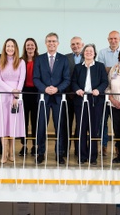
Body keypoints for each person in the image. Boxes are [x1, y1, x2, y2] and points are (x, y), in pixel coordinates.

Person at [33, 32, 70, 164]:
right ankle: (40, 152)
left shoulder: (63, 59)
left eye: (54, 41)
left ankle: (59, 154)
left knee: (59, 126)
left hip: (58, 98)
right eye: (49, 41)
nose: (51, 43)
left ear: (58, 43)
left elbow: (67, 79)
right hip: (43, 97)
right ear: (45, 43)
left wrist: (57, 89)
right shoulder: (39, 59)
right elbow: (35, 78)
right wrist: (45, 88)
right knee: (41, 126)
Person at [71, 44, 108, 165]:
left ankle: (93, 156)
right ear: (83, 53)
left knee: (94, 130)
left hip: (95, 101)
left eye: (91, 51)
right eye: (86, 51)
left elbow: (105, 81)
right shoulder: (78, 67)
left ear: (94, 53)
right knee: (81, 129)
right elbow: (73, 82)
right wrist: (77, 90)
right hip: (80, 101)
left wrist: (99, 90)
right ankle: (82, 156)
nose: (88, 53)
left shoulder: (100, 66)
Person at [0, 39, 26, 163]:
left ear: (15, 48)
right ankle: (4, 153)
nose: (10, 48)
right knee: (3, 125)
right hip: (2, 96)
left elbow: (21, 80)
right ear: (5, 48)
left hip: (16, 97)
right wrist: (12, 90)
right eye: (8, 46)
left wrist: (16, 96)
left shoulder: (21, 62)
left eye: (12, 46)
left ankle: (11, 153)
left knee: (12, 125)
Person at [97, 30, 120, 156]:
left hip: (118, 94)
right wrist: (116, 69)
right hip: (103, 92)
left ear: (119, 39)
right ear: (108, 40)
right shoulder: (102, 53)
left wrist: (110, 69)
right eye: (111, 39)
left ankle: (118, 147)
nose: (113, 41)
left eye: (115, 39)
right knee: (103, 122)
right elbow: (101, 70)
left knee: (117, 122)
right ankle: (104, 146)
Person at [19, 38, 39, 156]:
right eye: (28, 45)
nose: (30, 47)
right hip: (24, 92)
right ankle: (24, 145)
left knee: (35, 121)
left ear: (35, 47)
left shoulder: (40, 60)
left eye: (32, 45)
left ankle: (35, 146)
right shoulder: (21, 60)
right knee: (24, 121)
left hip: (36, 92)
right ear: (25, 47)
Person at [64, 36, 84, 156]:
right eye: (73, 44)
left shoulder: (88, 56)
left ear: (82, 44)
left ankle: (78, 150)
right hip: (67, 96)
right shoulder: (65, 58)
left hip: (81, 96)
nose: (75, 46)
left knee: (80, 125)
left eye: (77, 43)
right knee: (66, 124)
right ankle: (65, 150)